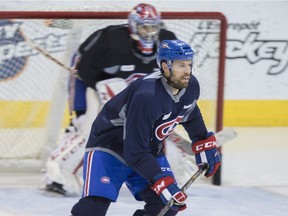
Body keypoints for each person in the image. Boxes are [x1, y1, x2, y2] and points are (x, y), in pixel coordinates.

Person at [70, 39, 221, 216]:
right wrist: (161, 180)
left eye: (189, 64)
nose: (187, 71)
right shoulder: (147, 95)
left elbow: (189, 112)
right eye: (181, 65)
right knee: (93, 208)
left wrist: (202, 140)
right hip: (109, 146)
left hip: (145, 149)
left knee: (166, 207)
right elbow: (134, 152)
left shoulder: (191, 86)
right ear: (165, 66)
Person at [44, 3, 177, 196]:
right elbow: (83, 69)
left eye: (153, 26)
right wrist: (86, 108)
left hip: (140, 98)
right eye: (144, 26)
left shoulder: (168, 42)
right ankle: (56, 173)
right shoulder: (110, 40)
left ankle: (151, 176)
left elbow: (175, 79)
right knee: (89, 126)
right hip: (101, 87)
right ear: (133, 26)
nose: (149, 32)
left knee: (147, 135)